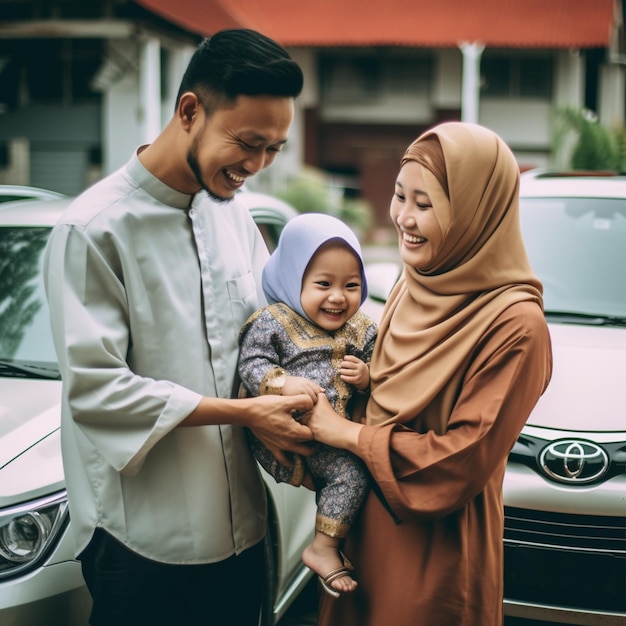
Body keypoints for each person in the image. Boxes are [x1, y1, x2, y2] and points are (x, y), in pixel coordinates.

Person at [43, 29, 314, 626]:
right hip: (141, 543)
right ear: (189, 110)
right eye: (247, 143)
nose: (257, 166)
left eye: (273, 148)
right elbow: (99, 390)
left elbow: (266, 331)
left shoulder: (236, 215)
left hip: (246, 531)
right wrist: (245, 414)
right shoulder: (93, 229)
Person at [304, 122, 553, 626]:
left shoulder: (516, 325)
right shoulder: (412, 283)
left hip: (436, 545)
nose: (404, 218)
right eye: (400, 196)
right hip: (360, 528)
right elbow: (379, 388)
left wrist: (348, 434)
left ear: (475, 213)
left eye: (426, 203)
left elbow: (460, 461)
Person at [238, 212, 377, 597]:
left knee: (353, 474)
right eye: (322, 284)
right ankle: (326, 547)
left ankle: (324, 544)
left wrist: (367, 375)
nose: (338, 296)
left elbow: (383, 365)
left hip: (334, 439)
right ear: (292, 277)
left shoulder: (362, 327)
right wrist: (281, 382)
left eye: (351, 284)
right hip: (280, 436)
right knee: (352, 474)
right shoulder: (274, 321)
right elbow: (251, 364)